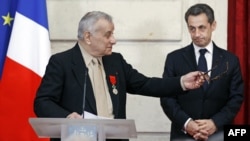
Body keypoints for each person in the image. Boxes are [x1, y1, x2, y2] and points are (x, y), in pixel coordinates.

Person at [34, 11, 204, 141]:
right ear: (88, 37)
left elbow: (145, 84)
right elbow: (43, 102)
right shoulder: (62, 62)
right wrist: (67, 117)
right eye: (108, 34)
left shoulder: (115, 61)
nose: (113, 40)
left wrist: (181, 82)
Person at [160, 3, 244, 141]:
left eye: (202, 28)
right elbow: (166, 97)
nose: (197, 34)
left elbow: (236, 98)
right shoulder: (174, 58)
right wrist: (187, 124)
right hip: (183, 134)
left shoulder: (231, 60)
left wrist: (215, 123)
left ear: (213, 25)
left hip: (220, 132)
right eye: (192, 29)